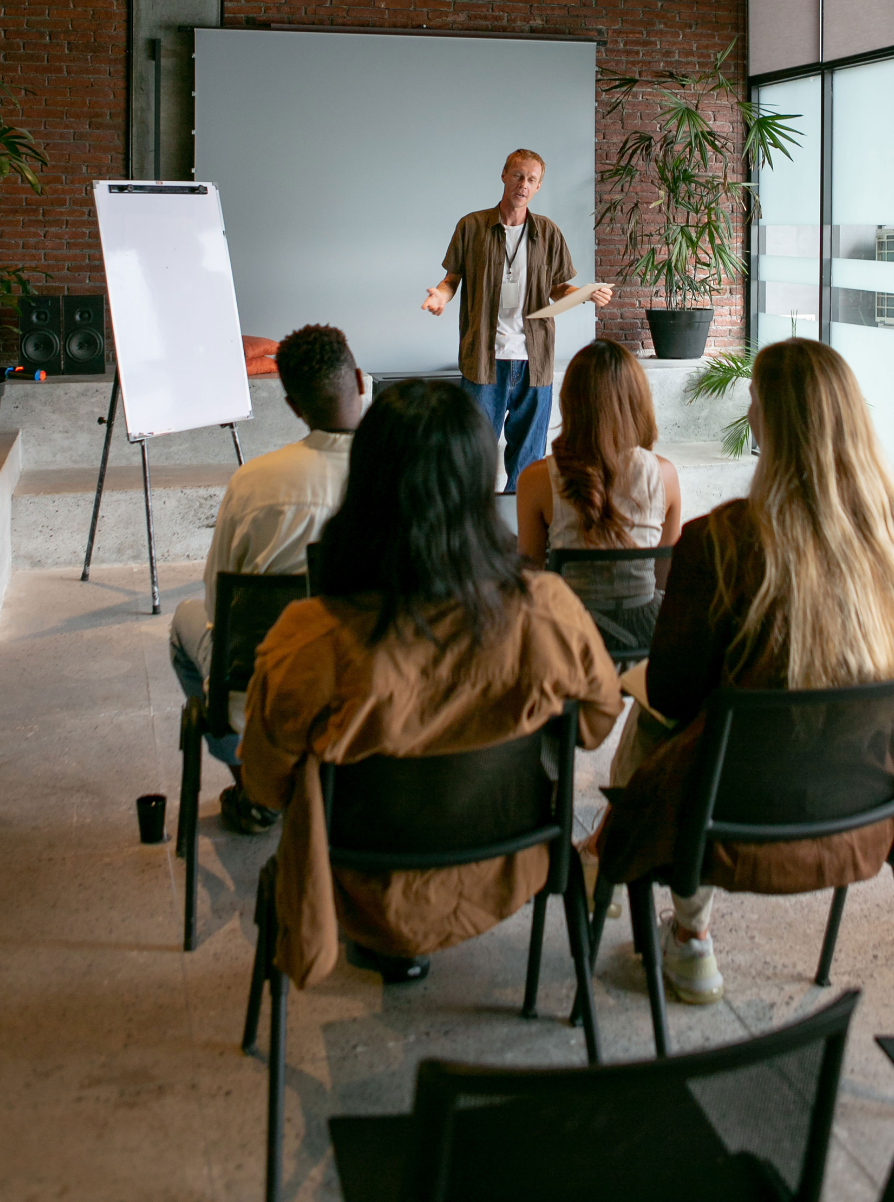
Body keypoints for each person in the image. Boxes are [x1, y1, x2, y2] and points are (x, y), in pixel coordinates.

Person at [238, 380, 621, 989]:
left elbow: (263, 780)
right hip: (510, 862)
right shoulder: (548, 612)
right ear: (479, 483)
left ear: (365, 484)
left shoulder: (308, 638)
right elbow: (596, 725)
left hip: (353, 882)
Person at [596, 337, 894, 1008]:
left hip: (724, 821)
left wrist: (637, 682)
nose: (748, 411)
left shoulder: (720, 540)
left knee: (653, 713)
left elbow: (672, 691)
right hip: (866, 815)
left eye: (753, 400)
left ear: (771, 422)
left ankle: (681, 925)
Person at [169, 324, 364, 835]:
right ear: (361, 382)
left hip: (263, 687)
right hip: (366, 683)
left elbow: (218, 607)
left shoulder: (254, 481)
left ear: (294, 408)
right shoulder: (400, 473)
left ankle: (259, 791)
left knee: (184, 622)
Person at [421, 148, 613, 491]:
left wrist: (582, 294)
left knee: (528, 464)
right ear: (504, 176)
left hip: (533, 363)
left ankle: (523, 536)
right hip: (483, 362)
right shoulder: (472, 226)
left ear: (538, 187)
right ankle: (474, 535)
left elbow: (557, 288)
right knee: (472, 457)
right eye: (518, 175)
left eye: (532, 179)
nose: (523, 184)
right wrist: (439, 296)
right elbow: (452, 280)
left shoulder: (548, 233)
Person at [517, 338, 682, 653]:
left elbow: (532, 581)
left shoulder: (536, 479)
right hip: (645, 637)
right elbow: (664, 579)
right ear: (637, 400)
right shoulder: (665, 475)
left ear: (570, 401)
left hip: (569, 639)